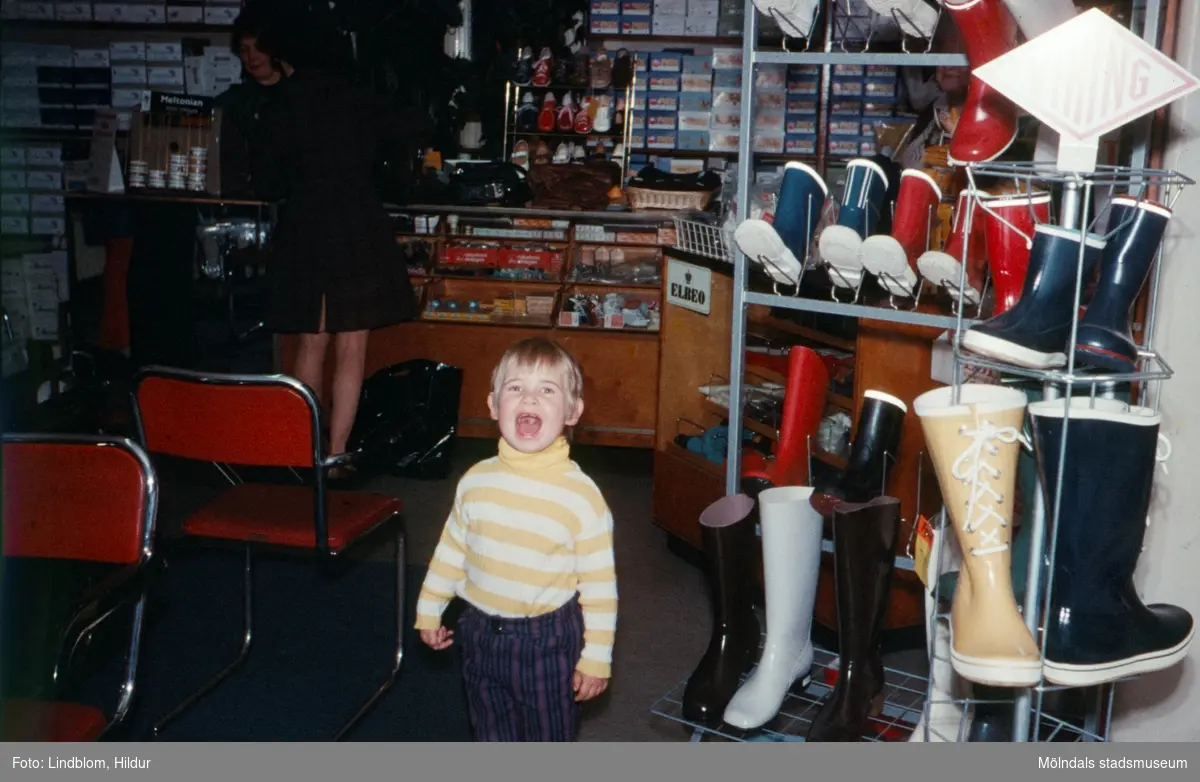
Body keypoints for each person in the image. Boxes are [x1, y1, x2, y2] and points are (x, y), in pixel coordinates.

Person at [414, 338, 618, 742]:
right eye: (515, 388)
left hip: (547, 643)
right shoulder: (475, 480)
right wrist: (430, 607)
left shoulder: (582, 496)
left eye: (547, 389)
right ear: (493, 405)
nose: (530, 398)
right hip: (478, 634)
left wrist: (596, 657)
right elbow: (452, 551)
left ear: (572, 411)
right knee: (490, 734)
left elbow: (600, 589)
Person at [248, 19, 429, 474]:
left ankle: (303, 448)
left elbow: (267, 183)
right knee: (353, 348)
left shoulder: (280, 104)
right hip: (359, 222)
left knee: (311, 343)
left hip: (306, 226)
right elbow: (411, 127)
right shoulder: (359, 96)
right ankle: (336, 452)